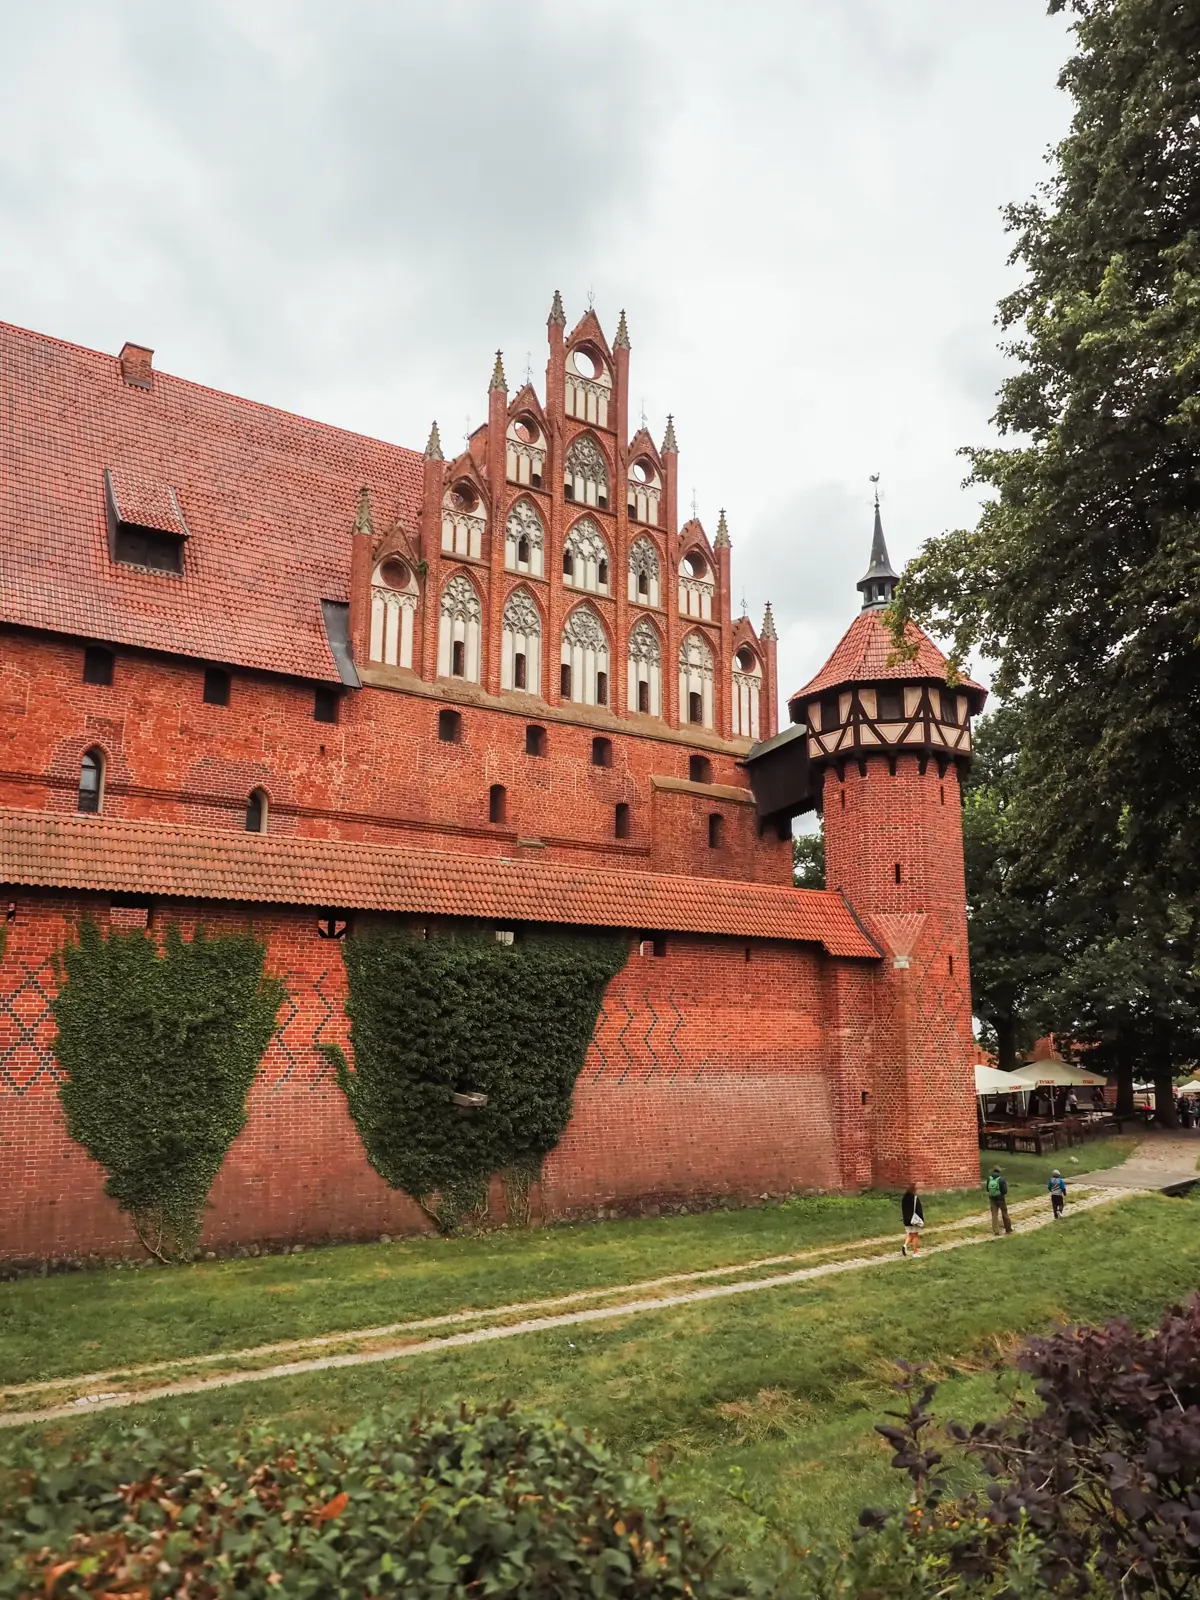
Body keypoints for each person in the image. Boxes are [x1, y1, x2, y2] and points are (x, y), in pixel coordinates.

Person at [985, 1165, 1013, 1236]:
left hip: (992, 1199)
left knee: (994, 1215)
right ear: (999, 1171)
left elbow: (987, 1189)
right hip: (1001, 1199)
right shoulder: (1001, 1179)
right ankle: (1008, 1229)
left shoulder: (989, 1179)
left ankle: (996, 1231)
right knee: (1004, 1213)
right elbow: (1005, 1191)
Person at [901, 1187, 924, 1257]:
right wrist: (921, 1220)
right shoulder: (915, 1199)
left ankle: (905, 1245)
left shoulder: (904, 1199)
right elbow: (919, 1210)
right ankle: (915, 1252)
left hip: (906, 1220)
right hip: (914, 1220)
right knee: (915, 1236)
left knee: (910, 1234)